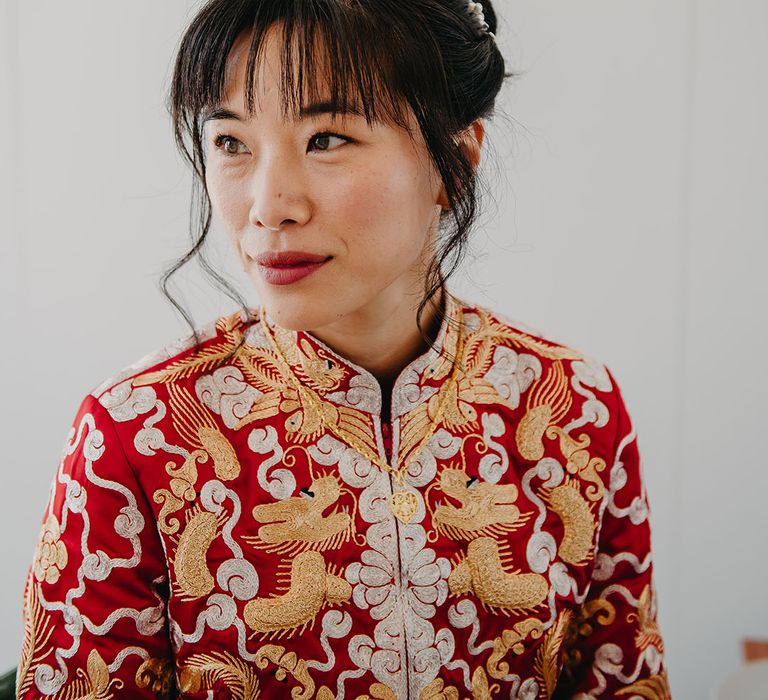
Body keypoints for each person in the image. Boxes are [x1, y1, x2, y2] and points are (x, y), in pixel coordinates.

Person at [15, 0, 671, 698]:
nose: (269, 205)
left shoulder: (574, 407)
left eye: (326, 138)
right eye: (231, 142)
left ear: (456, 162)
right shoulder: (135, 433)